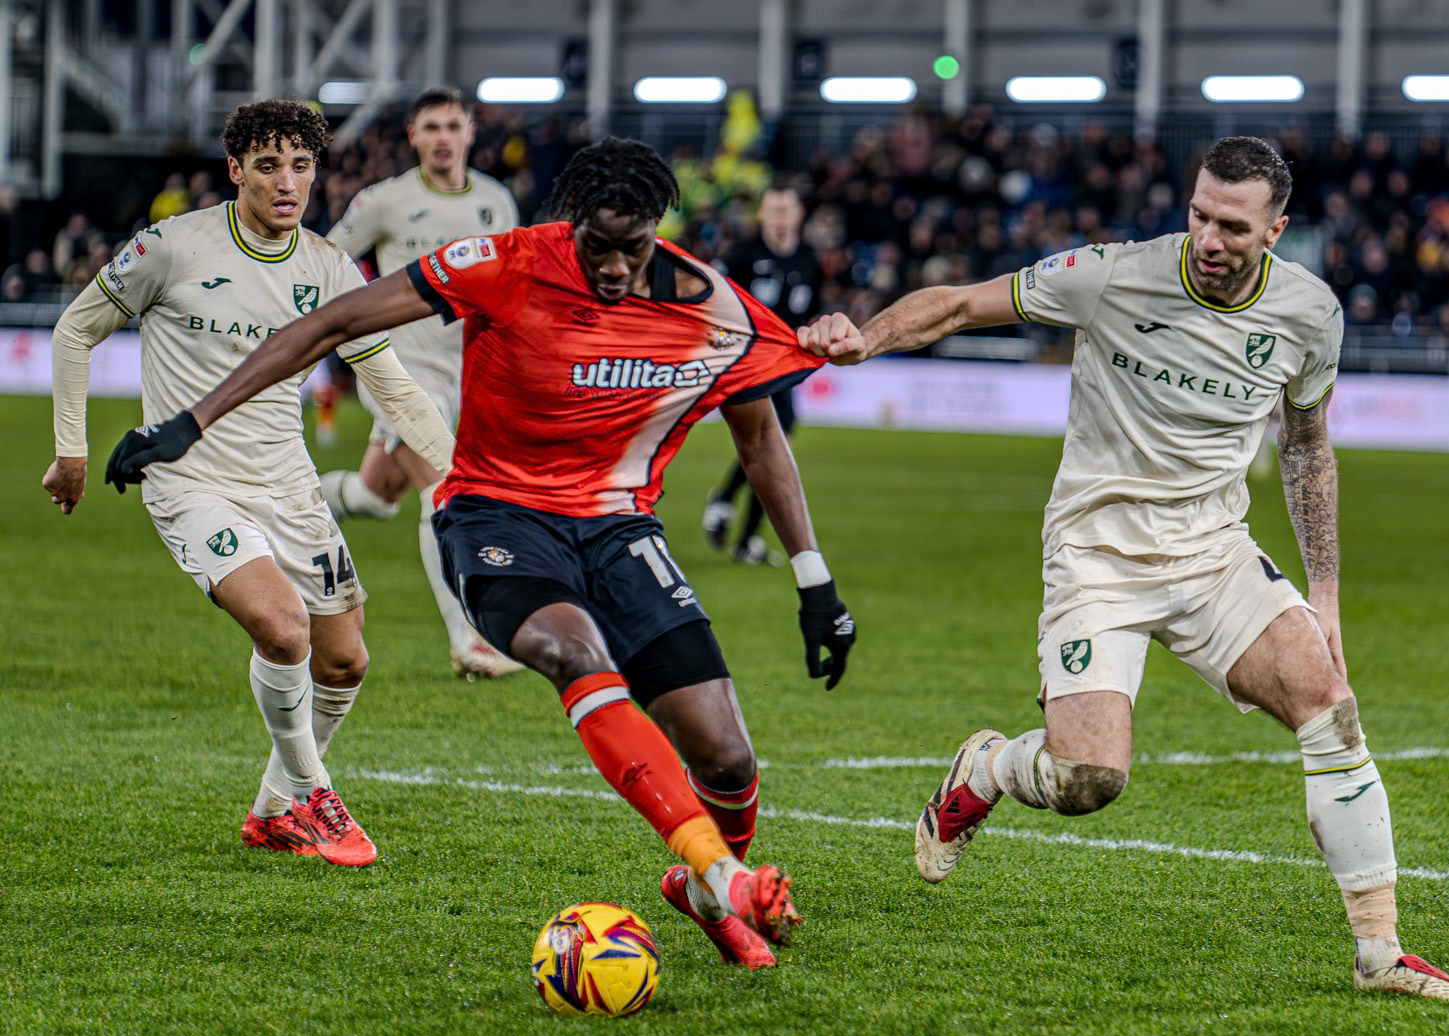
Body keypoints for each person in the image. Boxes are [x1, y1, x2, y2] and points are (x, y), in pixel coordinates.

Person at [101, 137, 858, 971]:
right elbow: (333, 321)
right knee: (574, 651)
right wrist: (190, 422)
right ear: (570, 227)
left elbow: (761, 437)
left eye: (631, 250)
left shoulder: (707, 302)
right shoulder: (504, 263)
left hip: (619, 531)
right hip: (496, 518)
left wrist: (813, 579)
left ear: (658, 235)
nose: (611, 268)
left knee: (726, 753)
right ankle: (724, 873)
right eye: (595, 246)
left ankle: (708, 889)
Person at [799, 136, 1449, 1002]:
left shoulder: (1311, 314)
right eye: (1199, 214)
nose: (1209, 237)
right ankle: (988, 770)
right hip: (1097, 554)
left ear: (1276, 230)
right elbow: (962, 306)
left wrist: (1327, 594)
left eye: (1232, 225)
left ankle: (1380, 953)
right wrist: (867, 337)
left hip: (1214, 553)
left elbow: (1307, 449)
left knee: (1331, 709)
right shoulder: (1112, 274)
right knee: (1089, 780)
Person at [44, 99, 457, 868]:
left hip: (288, 485)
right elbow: (77, 328)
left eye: (301, 166)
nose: (287, 182)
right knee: (283, 629)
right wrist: (71, 450)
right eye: (268, 166)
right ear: (236, 171)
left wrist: (461, 474)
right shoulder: (173, 246)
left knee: (345, 661)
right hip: (190, 478)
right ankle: (313, 794)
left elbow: (393, 389)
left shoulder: (332, 269)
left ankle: (273, 808)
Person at [322, 87, 524, 680]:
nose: (442, 136)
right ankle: (470, 639)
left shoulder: (496, 202)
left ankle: (288, 499)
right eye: (430, 126)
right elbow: (327, 263)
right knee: (445, 492)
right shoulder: (384, 202)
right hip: (397, 371)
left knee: (375, 497)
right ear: (412, 135)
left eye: (452, 125)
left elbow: (510, 293)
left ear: (470, 132)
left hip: (467, 375)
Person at [702, 185, 823, 564]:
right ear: (762, 215)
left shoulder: (809, 259)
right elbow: (715, 299)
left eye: (787, 208)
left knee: (774, 448)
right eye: (774, 209)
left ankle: (734, 519)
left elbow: (811, 311)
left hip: (786, 364)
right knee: (773, 445)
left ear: (799, 214)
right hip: (749, 362)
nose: (781, 216)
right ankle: (732, 516)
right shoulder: (743, 254)